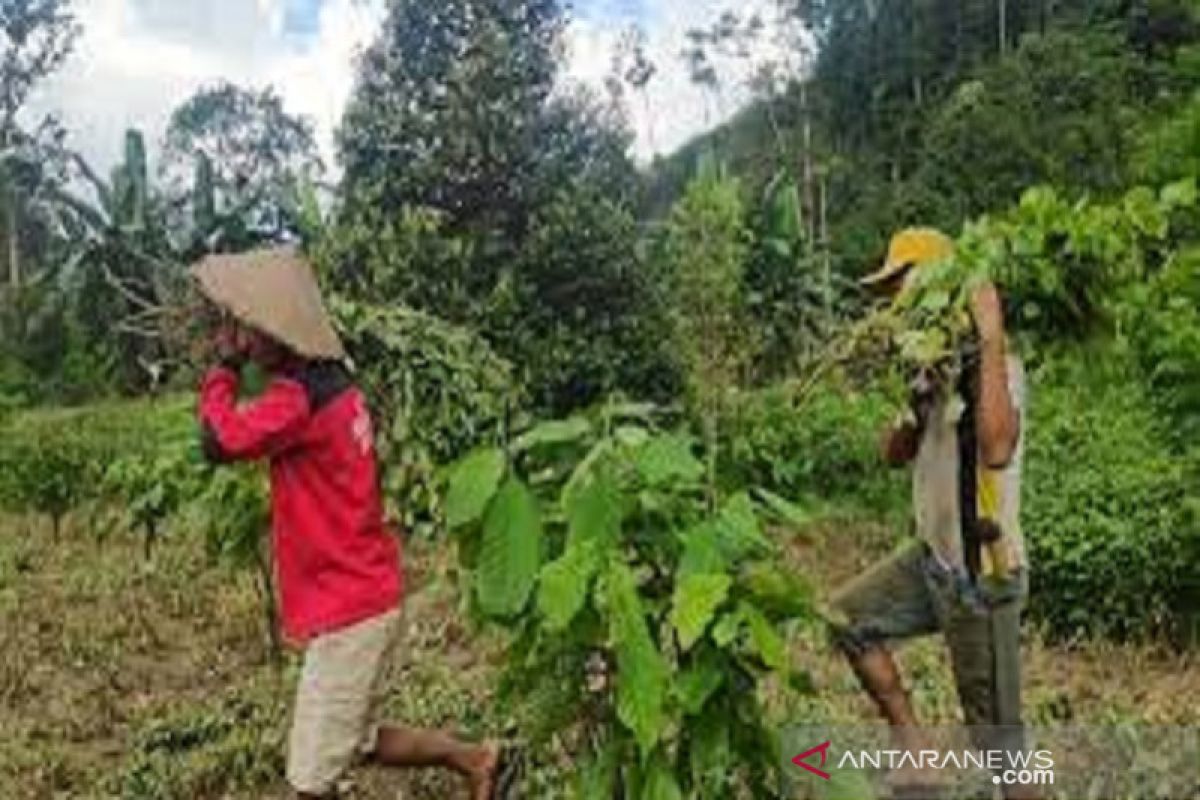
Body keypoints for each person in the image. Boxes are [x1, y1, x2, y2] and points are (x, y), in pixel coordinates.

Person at [192, 247, 502, 800]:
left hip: (349, 610)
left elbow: (218, 441)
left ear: (280, 333)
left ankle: (475, 759)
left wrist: (222, 369)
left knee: (308, 783)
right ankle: (476, 759)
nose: (242, 338)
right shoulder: (337, 382)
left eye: (248, 328)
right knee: (359, 741)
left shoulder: (296, 401)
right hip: (367, 592)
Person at [828, 229, 1036, 799]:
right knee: (847, 620)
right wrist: (916, 402)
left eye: (903, 286)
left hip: (981, 579)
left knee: (1002, 757)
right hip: (931, 565)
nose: (895, 304)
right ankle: (916, 751)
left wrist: (990, 339)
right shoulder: (929, 376)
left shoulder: (999, 368)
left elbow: (996, 448)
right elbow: (891, 455)